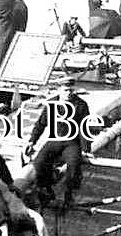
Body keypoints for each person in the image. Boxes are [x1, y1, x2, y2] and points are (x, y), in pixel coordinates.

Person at [25, 77, 91, 208]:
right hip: (54, 140)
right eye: (66, 90)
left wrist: (85, 149)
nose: (69, 93)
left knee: (73, 165)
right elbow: (40, 124)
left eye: (71, 90)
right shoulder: (51, 105)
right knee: (39, 163)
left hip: (71, 142)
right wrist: (32, 141)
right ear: (60, 90)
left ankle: (69, 194)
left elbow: (85, 128)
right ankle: (46, 189)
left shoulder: (81, 105)